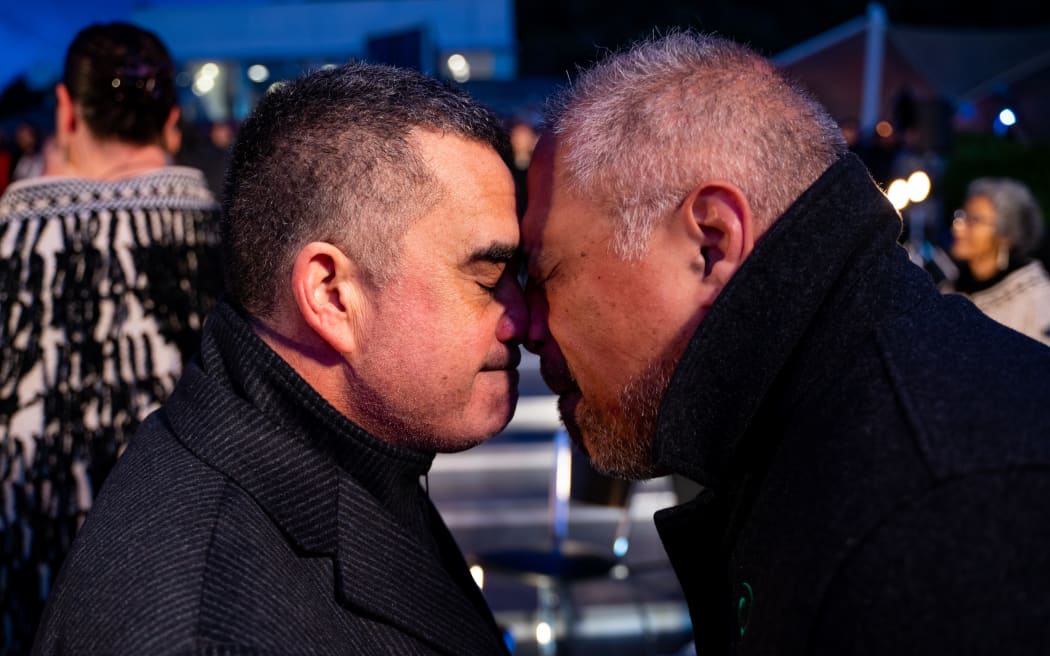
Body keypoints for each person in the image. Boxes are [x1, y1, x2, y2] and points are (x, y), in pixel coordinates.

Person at [521, 31, 1050, 654]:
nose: (528, 326)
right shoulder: (850, 439)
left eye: (548, 273)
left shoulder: (943, 520)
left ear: (711, 243)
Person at [32, 59, 524, 655]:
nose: (522, 317)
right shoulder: (208, 628)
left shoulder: (336, 460)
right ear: (331, 295)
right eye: (488, 277)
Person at [0, 22, 222, 653]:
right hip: (201, 598)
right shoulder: (239, 249)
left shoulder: (9, 245)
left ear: (66, 112)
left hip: (30, 600)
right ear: (173, 122)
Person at [941, 177, 1050, 346]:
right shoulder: (950, 288)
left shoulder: (1032, 292)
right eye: (961, 216)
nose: (958, 227)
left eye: (974, 220)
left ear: (1005, 235)